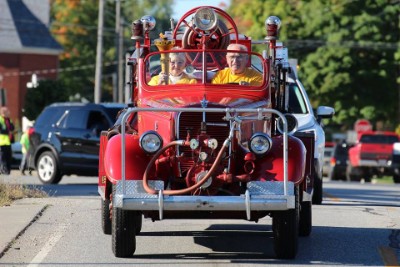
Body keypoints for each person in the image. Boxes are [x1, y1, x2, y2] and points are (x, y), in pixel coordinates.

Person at [0, 106, 15, 174]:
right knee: (2, 158)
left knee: (8, 157)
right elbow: (2, 130)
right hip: (1, 142)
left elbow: (12, 128)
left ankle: (8, 171)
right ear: (3, 113)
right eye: (7, 111)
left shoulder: (9, 120)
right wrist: (7, 131)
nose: (9, 112)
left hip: (8, 142)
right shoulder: (0, 119)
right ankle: (3, 170)